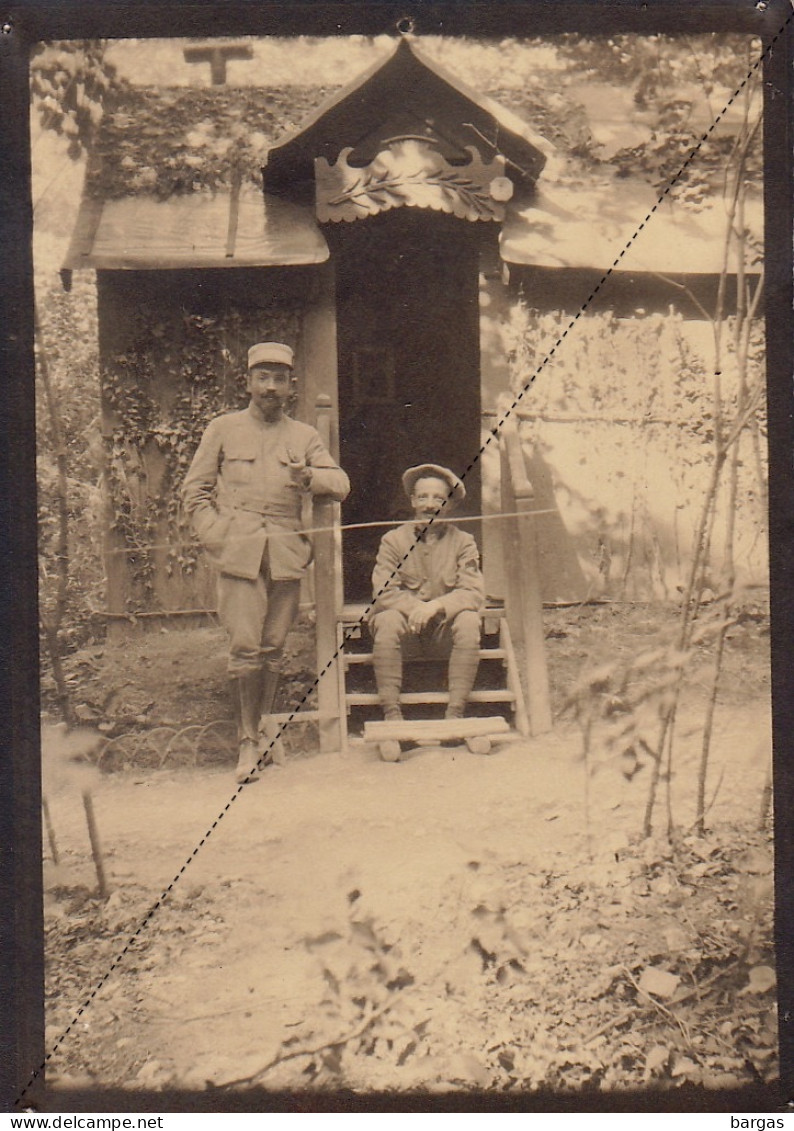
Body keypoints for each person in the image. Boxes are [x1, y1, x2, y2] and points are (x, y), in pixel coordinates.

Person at [182, 342, 350, 784]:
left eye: (279, 379)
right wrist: (216, 535)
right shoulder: (222, 428)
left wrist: (309, 477)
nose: (271, 387)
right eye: (263, 378)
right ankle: (247, 744)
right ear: (248, 382)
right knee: (244, 647)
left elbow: (341, 482)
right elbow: (194, 491)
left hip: (285, 553)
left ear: (291, 386)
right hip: (238, 551)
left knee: (273, 647)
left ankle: (262, 729)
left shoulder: (304, 436)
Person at [368, 464, 485, 762]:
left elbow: (472, 592)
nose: (430, 504)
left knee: (470, 620)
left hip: (441, 633)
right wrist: (415, 607)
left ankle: (454, 716)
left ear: (449, 503)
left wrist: (436, 605)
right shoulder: (393, 541)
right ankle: (393, 717)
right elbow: (383, 591)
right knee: (386, 618)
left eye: (438, 498)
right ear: (412, 502)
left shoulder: (464, 542)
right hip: (407, 633)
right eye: (422, 497)